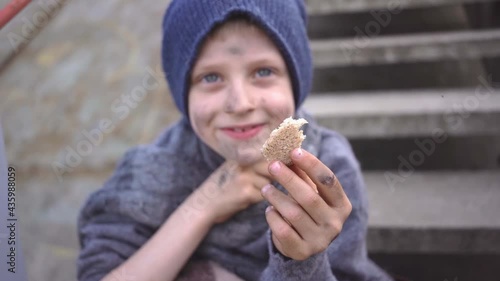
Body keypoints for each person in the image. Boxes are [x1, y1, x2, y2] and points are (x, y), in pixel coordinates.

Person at [77, 0, 394, 280]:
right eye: (211, 77)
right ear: (182, 93)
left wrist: (300, 262)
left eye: (263, 71)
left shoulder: (330, 169)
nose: (240, 103)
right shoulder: (151, 170)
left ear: (295, 83)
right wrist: (205, 205)